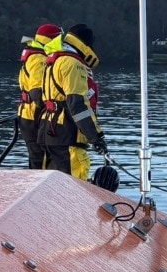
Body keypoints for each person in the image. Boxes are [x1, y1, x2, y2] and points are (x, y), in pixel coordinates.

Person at [38, 23, 108, 180]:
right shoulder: (73, 63)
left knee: (50, 185)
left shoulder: (55, 60)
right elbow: (77, 104)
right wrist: (95, 137)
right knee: (73, 187)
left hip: (49, 131)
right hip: (67, 134)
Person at [17, 23, 61, 170]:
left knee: (38, 158)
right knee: (40, 159)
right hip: (33, 117)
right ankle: (40, 191)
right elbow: (37, 92)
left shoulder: (34, 54)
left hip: (28, 114)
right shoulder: (39, 58)